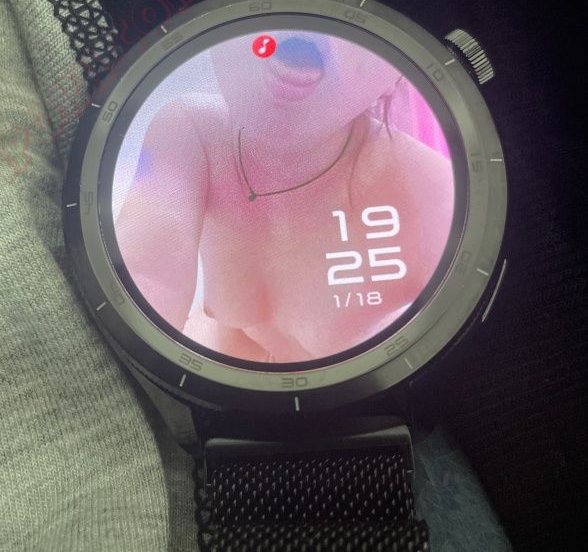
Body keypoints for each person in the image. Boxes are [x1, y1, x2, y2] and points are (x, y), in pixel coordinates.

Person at [115, 29, 454, 362]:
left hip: (338, 389)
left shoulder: (432, 192)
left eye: (353, 22)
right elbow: (147, 273)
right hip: (218, 356)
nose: (307, 24)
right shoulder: (192, 131)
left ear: (398, 72)